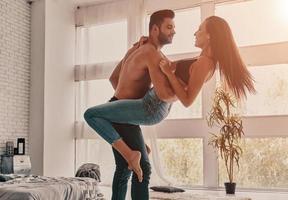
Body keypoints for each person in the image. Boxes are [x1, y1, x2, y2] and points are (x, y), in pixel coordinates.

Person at [84, 9, 177, 200]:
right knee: (142, 167)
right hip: (122, 115)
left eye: (173, 28)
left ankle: (134, 150)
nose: (173, 31)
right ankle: (133, 151)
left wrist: (126, 100)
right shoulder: (151, 52)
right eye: (169, 27)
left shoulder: (139, 49)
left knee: (123, 168)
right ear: (154, 29)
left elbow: (113, 78)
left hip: (119, 109)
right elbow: (167, 87)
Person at [159, 16, 255, 106]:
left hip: (155, 104)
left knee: (147, 53)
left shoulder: (205, 63)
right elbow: (169, 65)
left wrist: (169, 73)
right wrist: (154, 46)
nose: (195, 33)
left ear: (209, 36)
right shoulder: (202, 59)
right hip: (159, 99)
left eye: (200, 29)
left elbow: (187, 101)